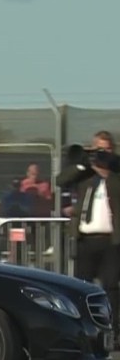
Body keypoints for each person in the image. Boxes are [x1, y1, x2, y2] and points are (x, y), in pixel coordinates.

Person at [57, 132, 120, 348]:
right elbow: (61, 180)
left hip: (111, 240)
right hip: (85, 238)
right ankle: (83, 332)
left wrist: (109, 166)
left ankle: (113, 332)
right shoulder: (85, 175)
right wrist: (85, 164)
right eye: (99, 148)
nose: (102, 153)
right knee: (81, 287)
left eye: (106, 149)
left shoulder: (116, 175)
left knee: (111, 287)